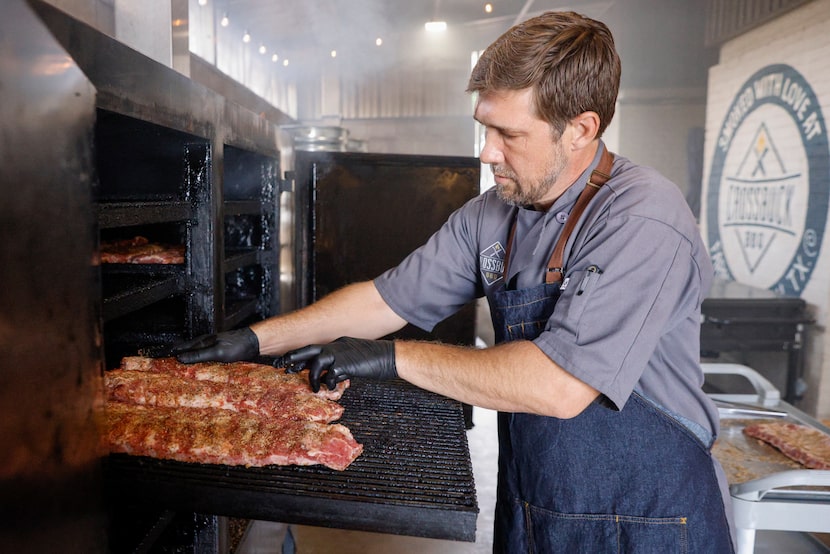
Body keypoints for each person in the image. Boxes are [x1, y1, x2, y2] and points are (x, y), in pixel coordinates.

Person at [174, 11, 735, 552]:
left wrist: (392, 358)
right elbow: (386, 299)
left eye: (507, 133)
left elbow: (558, 386)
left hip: (650, 520)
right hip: (534, 506)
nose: (488, 152)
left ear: (581, 129)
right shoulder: (493, 214)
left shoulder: (641, 219)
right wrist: (257, 340)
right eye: (484, 127)